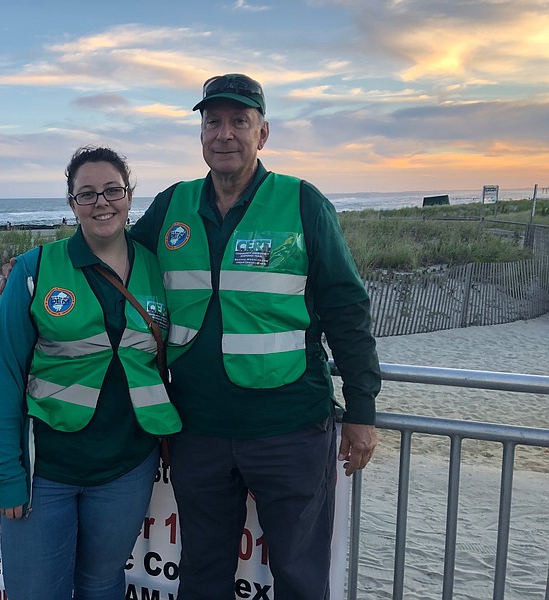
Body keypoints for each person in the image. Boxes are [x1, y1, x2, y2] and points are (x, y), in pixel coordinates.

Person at [127, 73, 381, 599]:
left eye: (238, 122)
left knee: (299, 575)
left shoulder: (303, 203)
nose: (224, 134)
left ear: (262, 134)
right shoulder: (171, 206)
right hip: (198, 433)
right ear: (200, 135)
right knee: (201, 574)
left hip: (290, 432)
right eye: (212, 121)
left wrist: (361, 409)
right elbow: (114, 264)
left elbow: (346, 308)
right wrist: (43, 268)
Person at [0, 146, 181, 600]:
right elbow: (5, 372)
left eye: (112, 190)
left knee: (101, 582)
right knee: (36, 591)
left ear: (130, 197)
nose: (101, 202)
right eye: (86, 193)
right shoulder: (35, 269)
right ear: (71, 203)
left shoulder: (158, 268)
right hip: (46, 468)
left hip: (127, 465)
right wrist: (7, 469)